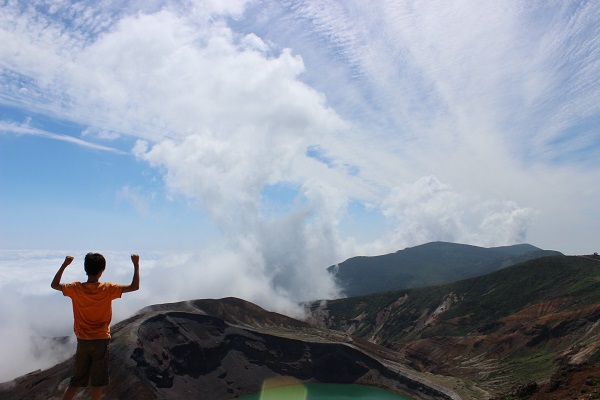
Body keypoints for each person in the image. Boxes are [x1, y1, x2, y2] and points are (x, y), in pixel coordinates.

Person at [51, 252, 140, 400]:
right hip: (100, 341)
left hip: (83, 341)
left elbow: (54, 285)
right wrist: (136, 265)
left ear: (86, 269)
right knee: (97, 382)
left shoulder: (75, 288)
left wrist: (64, 265)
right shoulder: (108, 288)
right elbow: (134, 287)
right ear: (102, 271)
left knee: (76, 380)